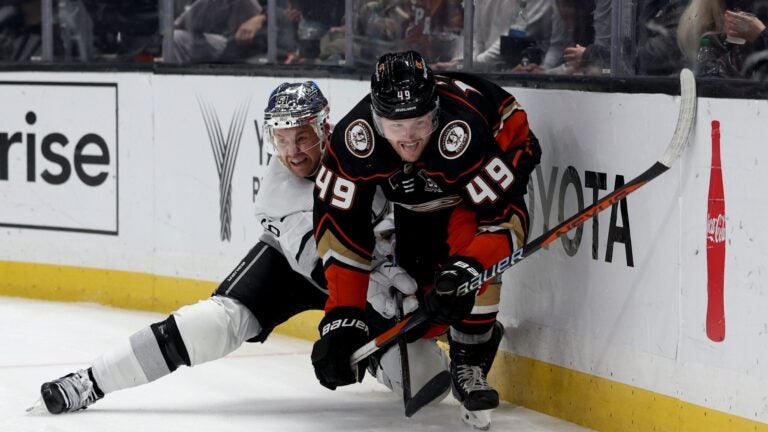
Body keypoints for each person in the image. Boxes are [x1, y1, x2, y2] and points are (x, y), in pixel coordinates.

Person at [35, 81, 449, 415]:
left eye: (301, 138)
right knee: (214, 322)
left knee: (430, 376)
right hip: (300, 266)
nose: (291, 153)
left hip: (366, 269)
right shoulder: (277, 195)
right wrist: (383, 299)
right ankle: (90, 381)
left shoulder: (365, 152)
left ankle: (377, 355)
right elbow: (327, 262)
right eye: (281, 140)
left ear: (325, 128)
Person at [310, 50, 542, 425]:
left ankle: (470, 357)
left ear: (435, 111)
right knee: (425, 303)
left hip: (501, 146)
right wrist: (343, 317)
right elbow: (340, 227)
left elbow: (504, 220)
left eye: (419, 122)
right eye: (396, 126)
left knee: (465, 270)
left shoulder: (464, 132)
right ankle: (458, 323)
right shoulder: (355, 139)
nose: (409, 137)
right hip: (418, 193)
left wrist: (470, 268)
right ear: (374, 116)